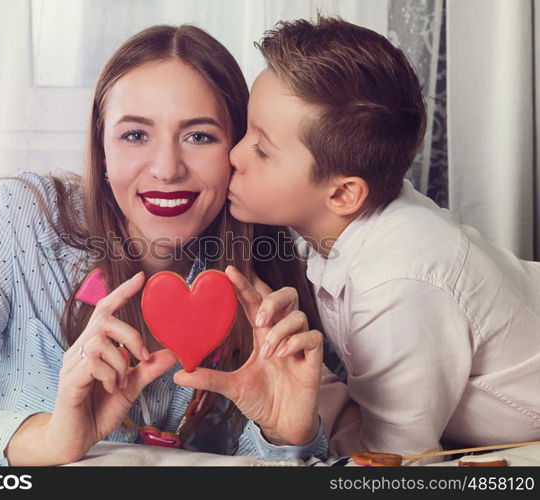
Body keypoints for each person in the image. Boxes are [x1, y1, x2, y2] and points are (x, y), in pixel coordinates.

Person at [0, 24, 327, 466]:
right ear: (102, 150)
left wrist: (283, 434)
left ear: (237, 152)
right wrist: (48, 438)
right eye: (135, 134)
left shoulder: (268, 262)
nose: (166, 167)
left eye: (199, 136)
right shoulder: (22, 219)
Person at [226, 14, 540, 460]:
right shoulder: (335, 227)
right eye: (245, 131)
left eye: (261, 148)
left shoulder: (398, 280)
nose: (234, 155)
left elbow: (395, 459)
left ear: (342, 193)